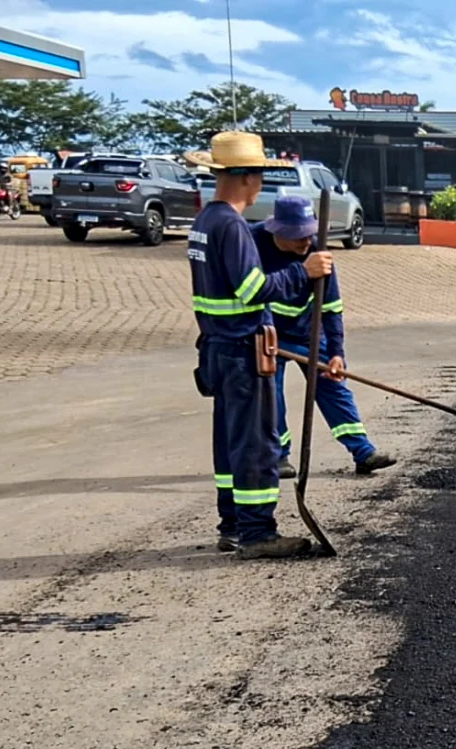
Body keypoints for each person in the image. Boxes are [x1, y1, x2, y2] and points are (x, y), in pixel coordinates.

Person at [186, 131, 334, 558]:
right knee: (255, 443)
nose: (260, 186)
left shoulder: (204, 222)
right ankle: (257, 533)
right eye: (259, 177)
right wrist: (303, 272)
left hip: (217, 348)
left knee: (229, 442)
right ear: (246, 177)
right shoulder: (232, 226)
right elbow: (252, 289)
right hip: (242, 350)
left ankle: (232, 524)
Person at [252, 195, 397, 478]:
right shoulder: (253, 243)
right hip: (268, 333)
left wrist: (336, 353)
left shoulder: (318, 252)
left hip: (308, 332)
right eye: (298, 236)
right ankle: (278, 457)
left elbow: (331, 309)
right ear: (278, 230)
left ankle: (363, 452)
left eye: (309, 234)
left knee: (334, 385)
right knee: (271, 395)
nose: (306, 242)